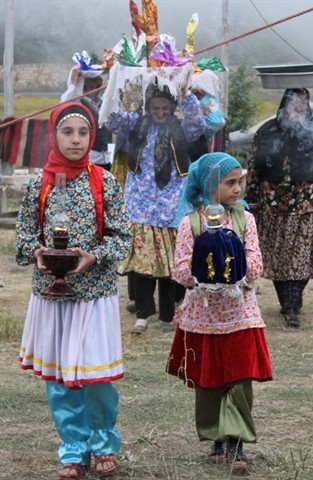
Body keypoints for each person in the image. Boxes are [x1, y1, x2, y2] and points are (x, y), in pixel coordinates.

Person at [15, 102, 132, 479]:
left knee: (95, 376)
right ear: (54, 134)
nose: (76, 140)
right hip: (51, 294)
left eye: (83, 132)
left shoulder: (105, 181)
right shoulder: (39, 184)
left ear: (92, 136)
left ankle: (102, 443)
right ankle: (72, 447)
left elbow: (122, 238)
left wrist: (93, 256)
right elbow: (24, 236)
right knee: (60, 378)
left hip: (94, 294)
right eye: (68, 132)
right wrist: (36, 253)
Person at [166, 152, 272, 473]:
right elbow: (181, 271)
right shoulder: (191, 224)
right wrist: (204, 272)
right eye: (230, 182)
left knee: (239, 379)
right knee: (209, 380)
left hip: (239, 314)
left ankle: (237, 443)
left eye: (240, 181)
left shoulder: (245, 220)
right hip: (204, 317)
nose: (238, 189)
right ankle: (216, 439)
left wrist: (235, 266)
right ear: (211, 184)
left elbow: (256, 265)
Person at [245, 68, 313, 328]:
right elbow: (253, 165)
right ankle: (287, 302)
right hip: (272, 202)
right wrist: (249, 201)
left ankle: (293, 305)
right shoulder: (268, 130)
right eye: (294, 103)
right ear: (284, 105)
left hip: (306, 200)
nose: (299, 108)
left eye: (304, 103)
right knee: (279, 258)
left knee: (301, 258)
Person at [107, 83, 205, 334]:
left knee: (171, 264)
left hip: (172, 202)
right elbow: (114, 124)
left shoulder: (180, 127)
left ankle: (167, 314)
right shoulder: (137, 124)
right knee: (143, 263)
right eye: (155, 108)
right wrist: (128, 96)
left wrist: (186, 94)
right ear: (147, 107)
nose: (160, 112)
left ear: (172, 108)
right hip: (142, 203)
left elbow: (198, 125)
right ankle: (142, 316)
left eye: (165, 108)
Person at [61, 66, 113, 170]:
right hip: (89, 159)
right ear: (83, 88)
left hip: (105, 158)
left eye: (97, 86)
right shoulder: (78, 104)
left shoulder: (101, 103)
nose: (95, 90)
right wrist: (73, 84)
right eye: (90, 87)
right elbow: (64, 103)